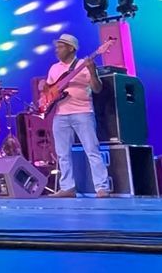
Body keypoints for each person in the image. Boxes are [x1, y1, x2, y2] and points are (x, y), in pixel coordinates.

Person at [38, 32, 109, 199]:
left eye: (60, 47)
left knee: (92, 150)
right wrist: (44, 89)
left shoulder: (84, 64)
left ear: (71, 48)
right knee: (62, 153)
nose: (57, 50)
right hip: (60, 114)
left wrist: (92, 72)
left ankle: (101, 188)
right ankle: (67, 188)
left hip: (83, 113)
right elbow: (50, 89)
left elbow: (97, 89)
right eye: (56, 47)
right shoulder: (54, 68)